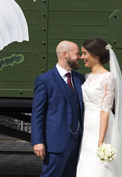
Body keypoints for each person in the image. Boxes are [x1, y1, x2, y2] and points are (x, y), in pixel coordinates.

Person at [76, 38, 122, 177]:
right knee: (86, 165)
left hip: (101, 127)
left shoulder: (108, 78)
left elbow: (105, 109)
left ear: (95, 55)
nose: (81, 57)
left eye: (84, 53)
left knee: (99, 168)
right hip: (88, 125)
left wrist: (101, 140)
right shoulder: (88, 76)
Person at [31, 41, 85, 177]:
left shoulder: (80, 79)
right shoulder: (45, 80)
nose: (79, 57)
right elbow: (37, 114)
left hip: (77, 141)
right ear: (65, 54)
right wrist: (38, 141)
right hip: (55, 142)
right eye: (77, 54)